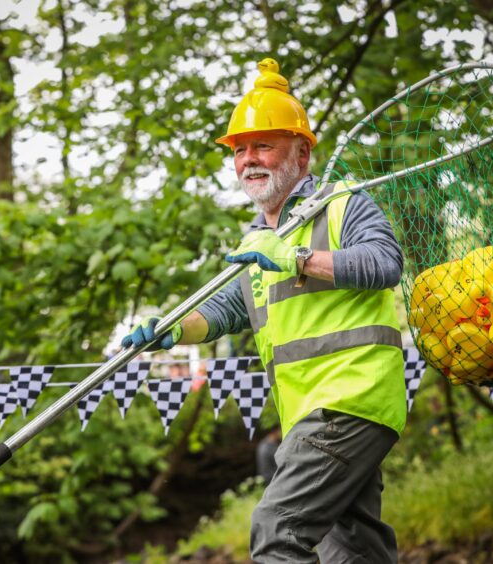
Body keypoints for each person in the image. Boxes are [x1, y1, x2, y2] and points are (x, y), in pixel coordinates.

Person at [121, 58, 406, 563]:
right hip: (313, 413)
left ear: (302, 152)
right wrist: (169, 331)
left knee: (278, 531)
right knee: (354, 550)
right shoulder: (257, 238)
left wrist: (296, 257)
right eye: (239, 149)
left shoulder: (343, 204)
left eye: (264, 145)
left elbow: (385, 263)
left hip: (349, 401)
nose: (249, 159)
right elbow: (231, 306)